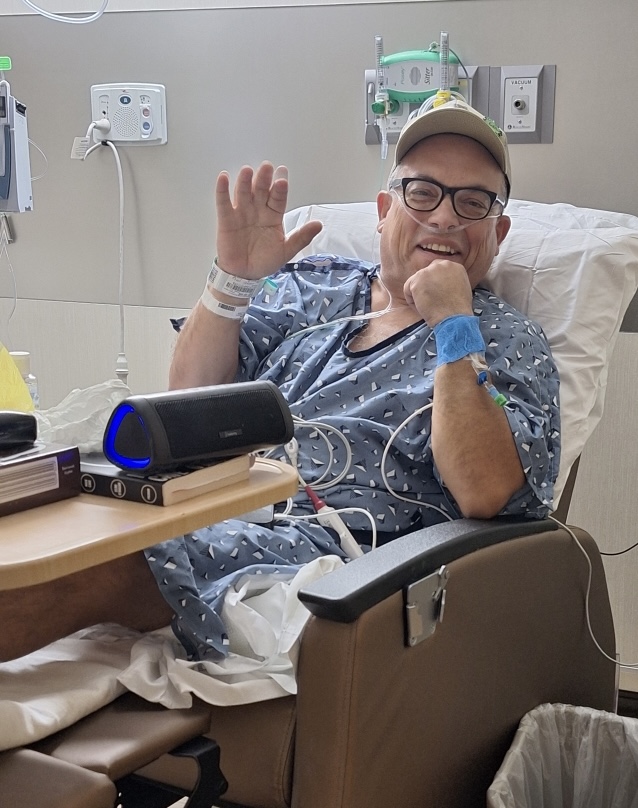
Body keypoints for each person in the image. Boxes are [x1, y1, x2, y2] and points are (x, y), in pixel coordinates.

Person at [0, 99, 560, 663]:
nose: (444, 218)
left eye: (473, 203)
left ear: (498, 231)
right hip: (208, 502)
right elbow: (189, 396)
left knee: (94, 568)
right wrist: (234, 281)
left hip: (331, 556)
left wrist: (454, 324)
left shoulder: (504, 339)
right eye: (422, 193)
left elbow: (485, 489)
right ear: (384, 209)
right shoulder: (311, 289)